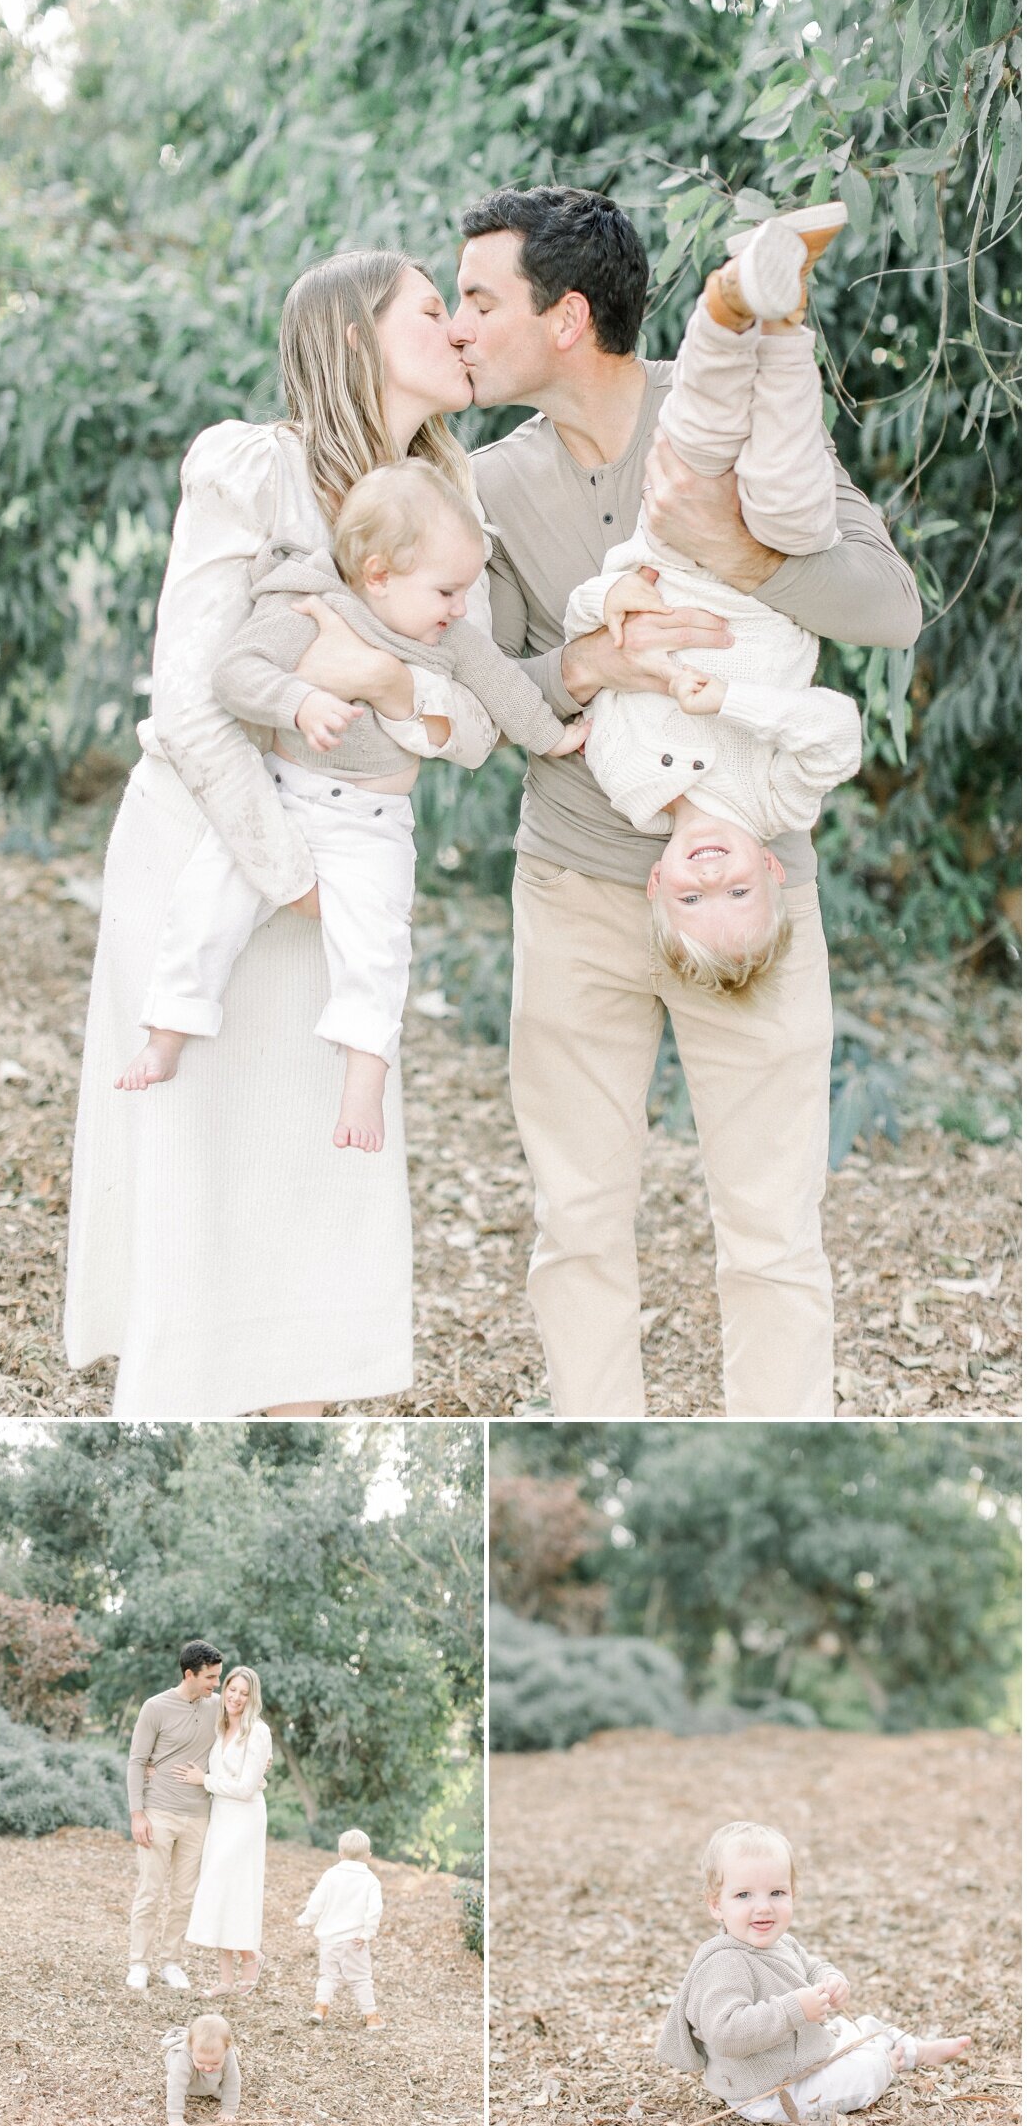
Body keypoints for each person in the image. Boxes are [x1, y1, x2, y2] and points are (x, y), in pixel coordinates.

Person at [451, 183, 923, 1420]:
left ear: (565, 318)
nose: (458, 326)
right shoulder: (489, 487)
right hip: (576, 894)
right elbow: (492, 685)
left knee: (772, 1235)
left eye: (479, 299)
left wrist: (742, 554)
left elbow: (890, 606)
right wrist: (600, 663)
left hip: (751, 901)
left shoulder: (720, 423)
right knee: (578, 1225)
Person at [64, 254, 499, 1418]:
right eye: (429, 308)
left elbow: (470, 727)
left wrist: (391, 691)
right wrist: (290, 873)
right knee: (212, 1166)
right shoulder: (252, 465)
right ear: (357, 337)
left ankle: (299, 1412)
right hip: (215, 848)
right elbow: (192, 701)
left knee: (320, 1171)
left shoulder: (449, 501)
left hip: (348, 857)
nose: (459, 329)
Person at [117, 458, 582, 1152]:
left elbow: (508, 694)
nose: (460, 607)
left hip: (371, 826)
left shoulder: (448, 639)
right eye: (447, 590)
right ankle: (168, 1030)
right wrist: (298, 699)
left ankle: (364, 1078)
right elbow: (235, 673)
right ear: (378, 575)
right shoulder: (309, 607)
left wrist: (554, 736)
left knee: (378, 943)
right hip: (286, 794)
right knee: (208, 899)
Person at [563, 207, 863, 993]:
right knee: (793, 497)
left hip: (673, 557)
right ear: (771, 867)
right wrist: (729, 700)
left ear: (658, 883)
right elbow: (838, 729)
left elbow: (587, 639)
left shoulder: (628, 784)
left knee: (696, 444)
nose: (713, 875)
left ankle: (729, 304)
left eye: (696, 897)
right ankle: (787, 308)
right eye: (739, 890)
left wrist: (611, 595)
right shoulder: (778, 803)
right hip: (769, 578)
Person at [657, 1820, 970, 2124]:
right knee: (861, 2071)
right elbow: (727, 2034)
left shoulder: (782, 1944)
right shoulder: (724, 1964)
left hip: (799, 2061)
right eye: (743, 1895)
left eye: (776, 1893)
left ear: (793, 1893)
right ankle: (886, 2066)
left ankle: (917, 2050)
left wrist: (830, 1980)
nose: (763, 1907)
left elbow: (813, 1968)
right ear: (716, 1905)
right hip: (768, 2093)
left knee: (863, 2026)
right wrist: (795, 2009)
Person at [125, 1639, 223, 1994]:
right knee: (149, 1892)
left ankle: (171, 1963)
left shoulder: (218, 1707)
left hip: (198, 1817)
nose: (216, 1684)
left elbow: (240, 1738)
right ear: (189, 1674)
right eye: (210, 1677)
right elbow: (137, 1761)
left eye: (218, 1677)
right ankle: (139, 1963)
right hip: (158, 1812)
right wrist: (138, 1815)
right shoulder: (155, 1707)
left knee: (184, 1896)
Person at [182, 1667, 272, 1997]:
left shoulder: (258, 1732)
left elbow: (247, 1788)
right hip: (220, 1815)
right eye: (231, 1690)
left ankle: (251, 1956)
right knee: (220, 1891)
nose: (235, 1697)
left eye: (244, 1693)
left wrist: (203, 1781)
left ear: (253, 1698)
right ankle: (226, 1979)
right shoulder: (219, 1727)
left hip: (245, 1818)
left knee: (234, 1889)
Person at [298, 1829, 384, 2029]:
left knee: (328, 1975)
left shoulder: (331, 1875)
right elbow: (375, 1910)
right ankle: (371, 2017)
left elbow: (316, 1902)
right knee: (361, 1978)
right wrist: (367, 1934)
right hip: (355, 1940)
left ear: (340, 1853)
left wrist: (306, 1919)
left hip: (329, 1940)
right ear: (368, 1856)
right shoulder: (370, 1880)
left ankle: (320, 2008)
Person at [163, 2013, 241, 2126]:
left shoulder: (227, 2052)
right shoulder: (183, 2056)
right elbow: (176, 2088)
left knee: (223, 2091)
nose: (208, 2068)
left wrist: (229, 2111)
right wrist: (175, 2119)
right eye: (200, 2061)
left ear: (226, 2048)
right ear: (191, 2047)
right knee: (177, 2080)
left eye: (215, 2062)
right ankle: (199, 2082)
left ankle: (210, 2087)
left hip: (212, 2083)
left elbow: (232, 2080)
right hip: (190, 2083)